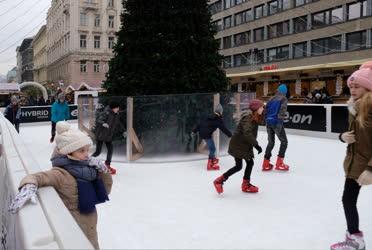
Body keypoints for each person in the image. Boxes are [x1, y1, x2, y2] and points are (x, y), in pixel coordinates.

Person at [9, 121, 113, 250]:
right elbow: (38, 177)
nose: (87, 154)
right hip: (72, 230)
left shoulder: (90, 170)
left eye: (87, 150)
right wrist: (28, 185)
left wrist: (103, 171)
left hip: (91, 225)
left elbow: (106, 190)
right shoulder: (61, 173)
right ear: (68, 152)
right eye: (81, 151)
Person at [331, 62, 372, 250]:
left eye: (357, 86)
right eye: (351, 87)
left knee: (347, 199)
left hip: (367, 164)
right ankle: (355, 238)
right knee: (348, 199)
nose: (353, 90)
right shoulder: (354, 107)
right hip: (355, 163)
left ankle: (355, 239)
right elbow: (351, 134)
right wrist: (342, 137)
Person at [213, 99, 264, 194]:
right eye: (261, 107)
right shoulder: (249, 118)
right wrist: (256, 145)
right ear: (256, 108)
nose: (263, 108)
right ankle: (244, 185)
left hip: (241, 144)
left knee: (240, 166)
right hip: (239, 146)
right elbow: (247, 133)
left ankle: (220, 181)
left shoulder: (253, 116)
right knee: (247, 164)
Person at [192, 104, 232, 170]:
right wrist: (230, 135)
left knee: (211, 147)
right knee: (212, 149)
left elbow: (200, 123)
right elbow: (224, 129)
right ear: (221, 112)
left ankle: (213, 158)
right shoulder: (218, 120)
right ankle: (209, 164)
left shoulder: (209, 116)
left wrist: (194, 131)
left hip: (202, 133)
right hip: (206, 134)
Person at [262, 84, 290, 171]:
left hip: (268, 122)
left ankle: (265, 163)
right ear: (285, 92)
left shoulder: (271, 98)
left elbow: (265, 111)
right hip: (276, 122)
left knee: (271, 142)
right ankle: (279, 163)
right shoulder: (283, 99)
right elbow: (282, 110)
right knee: (284, 141)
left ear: (278, 90)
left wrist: (266, 120)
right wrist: (279, 121)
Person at [92, 101, 125, 175]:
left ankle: (107, 164)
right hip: (101, 134)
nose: (118, 109)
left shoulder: (116, 114)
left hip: (108, 135)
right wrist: (103, 123)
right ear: (113, 108)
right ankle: (89, 161)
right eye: (117, 107)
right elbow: (98, 120)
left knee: (110, 149)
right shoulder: (106, 113)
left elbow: (118, 123)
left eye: (118, 107)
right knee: (98, 152)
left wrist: (123, 131)